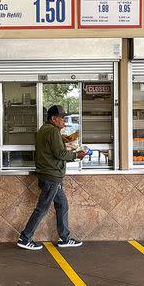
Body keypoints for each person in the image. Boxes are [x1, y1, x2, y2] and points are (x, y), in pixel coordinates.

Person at [17, 104, 86, 251]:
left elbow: (53, 149)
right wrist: (76, 155)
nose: (64, 122)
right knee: (42, 208)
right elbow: (59, 154)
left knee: (62, 205)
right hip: (51, 176)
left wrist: (63, 140)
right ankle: (25, 238)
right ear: (53, 118)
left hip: (50, 175)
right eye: (62, 119)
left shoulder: (45, 130)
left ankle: (65, 238)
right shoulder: (52, 131)